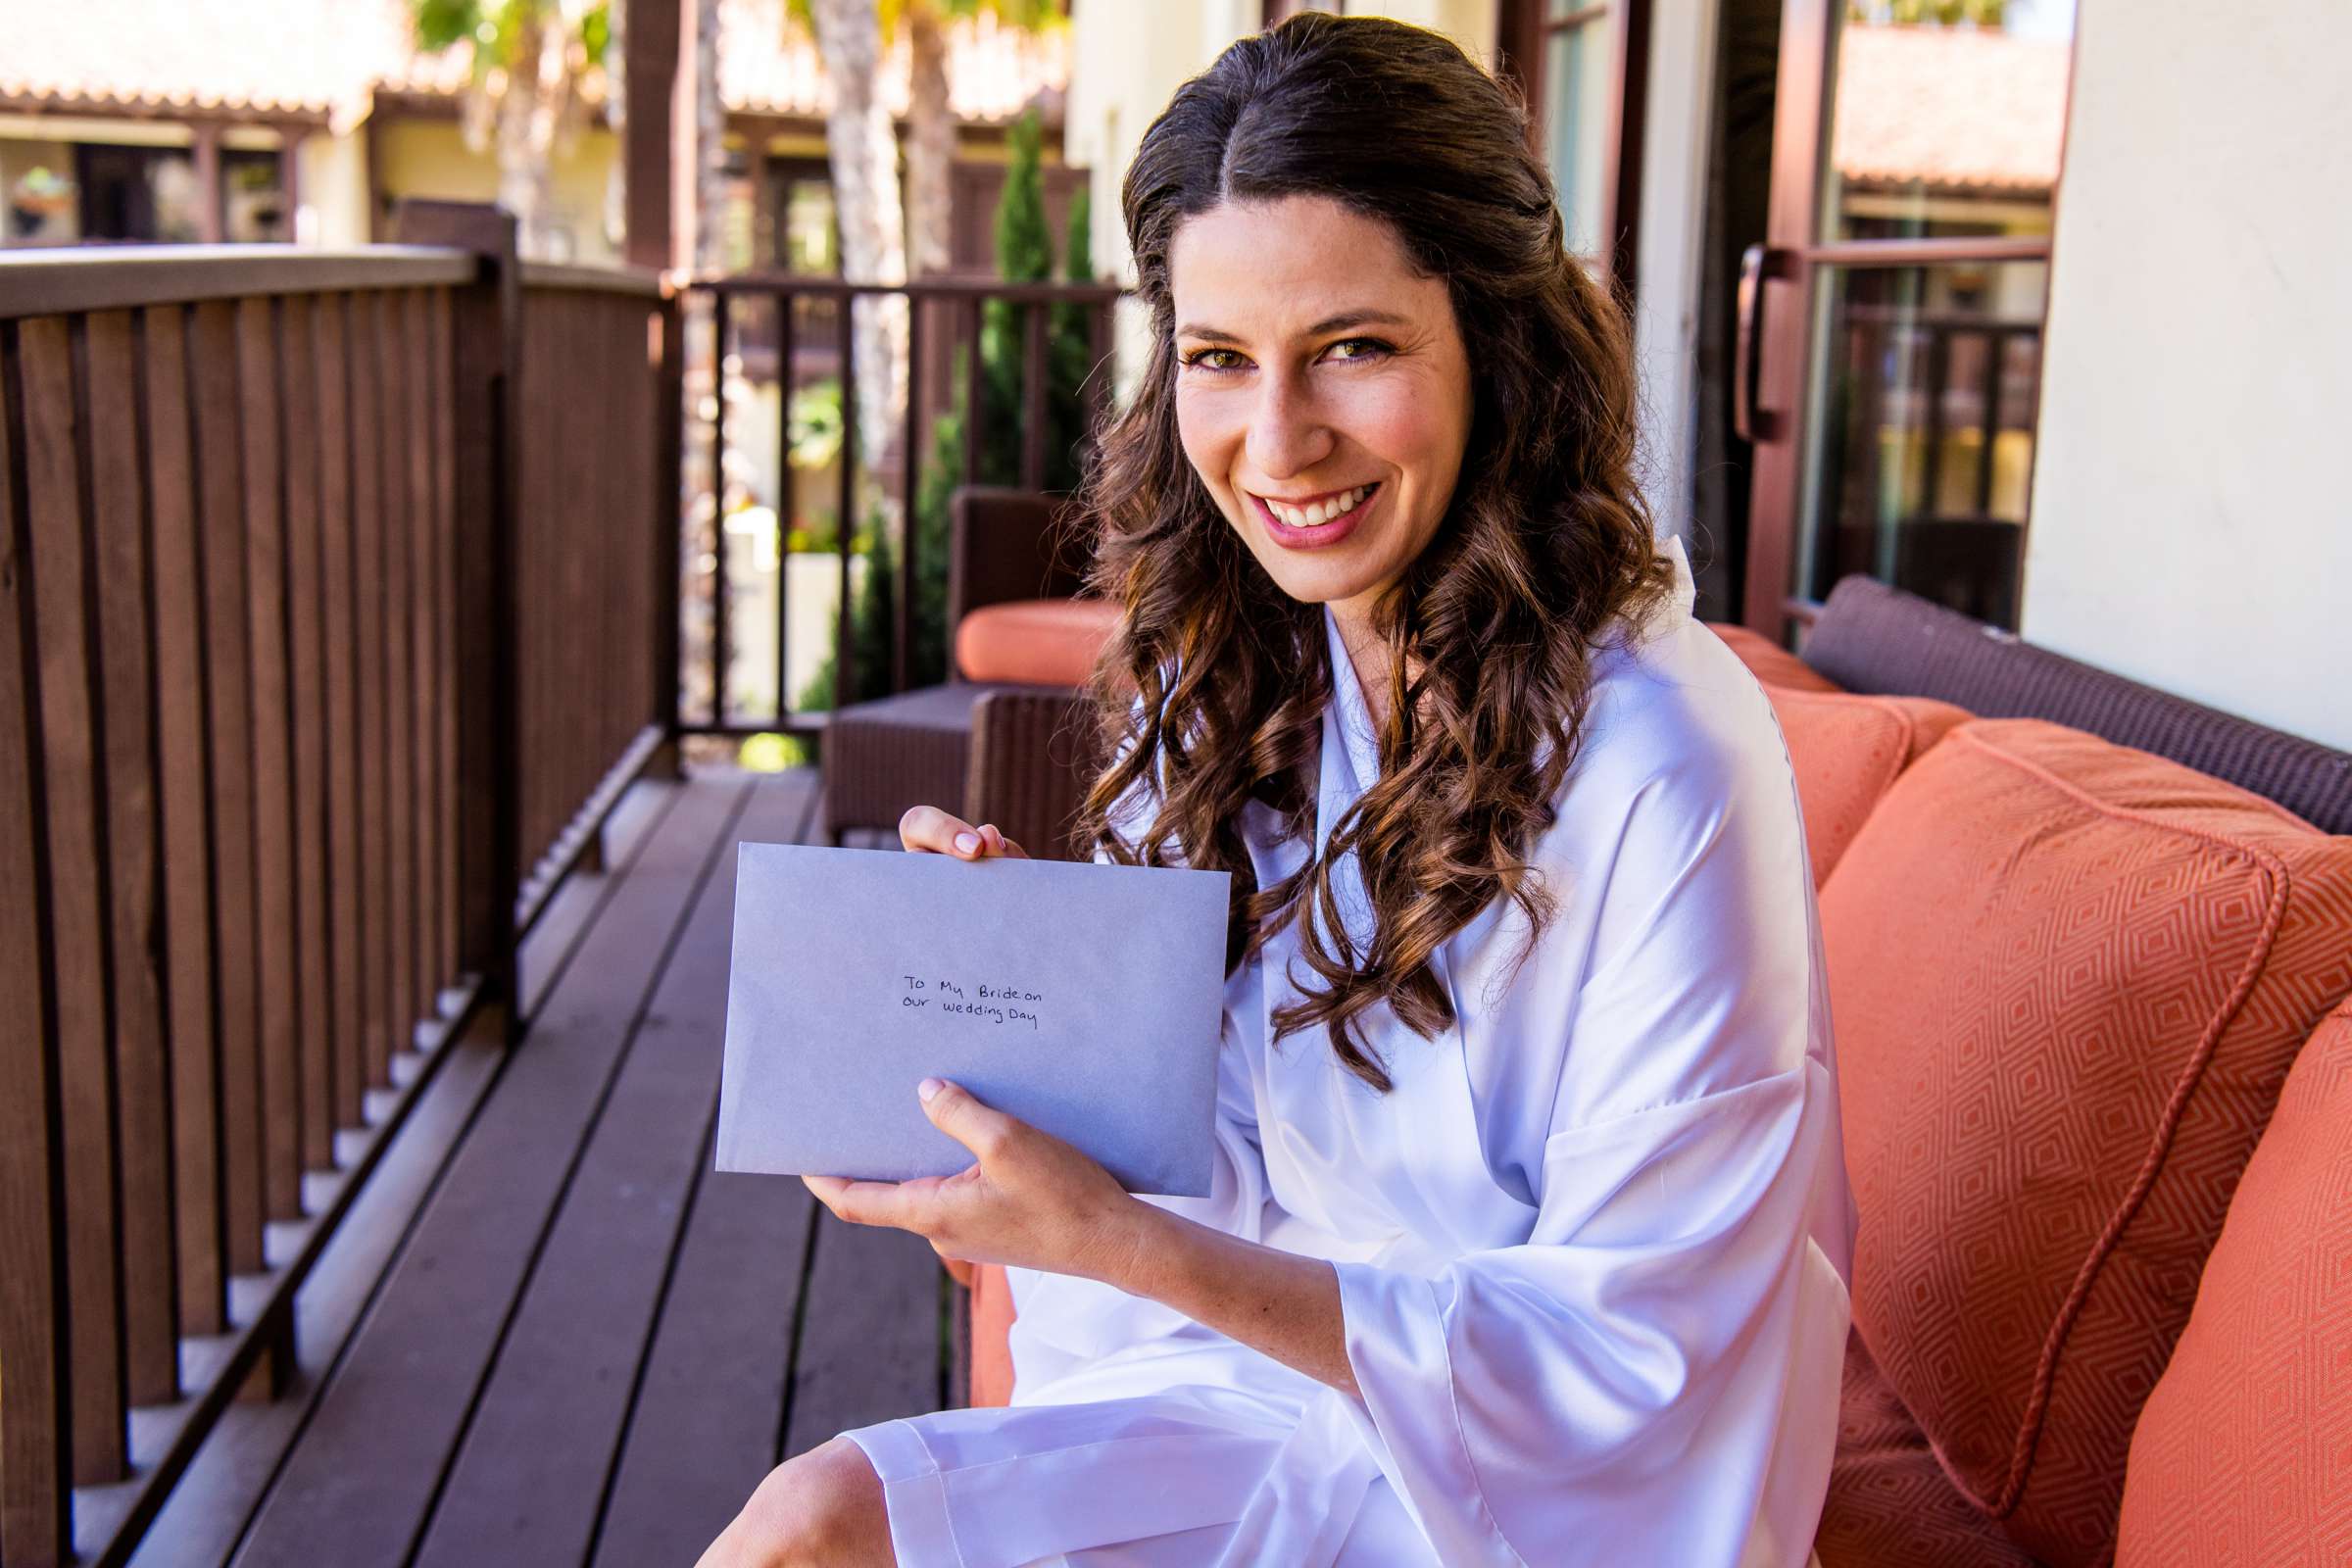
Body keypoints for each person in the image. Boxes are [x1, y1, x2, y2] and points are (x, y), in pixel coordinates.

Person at [700, 12, 1854, 1565]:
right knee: (807, 1526)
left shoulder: (1668, 762)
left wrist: (1124, 1244)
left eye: (1355, 348)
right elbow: (1227, 1150)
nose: (1278, 440)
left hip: (1530, 1501)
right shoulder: (1241, 671)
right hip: (1263, 1389)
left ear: (1499, 345)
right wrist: (1017, 996)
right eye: (1220, 360)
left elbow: (1630, 1368)